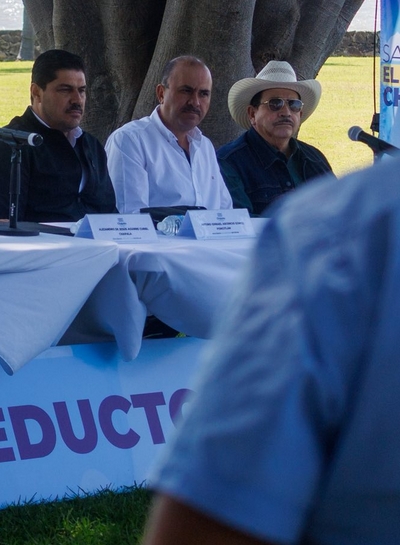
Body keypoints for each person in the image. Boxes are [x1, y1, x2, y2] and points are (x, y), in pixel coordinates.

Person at [143, 158, 400, 544]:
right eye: (277, 110)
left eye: (294, 114)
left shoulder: (337, 223)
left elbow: (214, 515)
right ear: (253, 121)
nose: (287, 121)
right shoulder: (338, 225)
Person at [0, 49, 116, 222]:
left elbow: (110, 213)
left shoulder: (91, 146)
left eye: (81, 91)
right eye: (65, 90)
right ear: (36, 92)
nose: (77, 100)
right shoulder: (10, 146)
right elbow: (1, 224)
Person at [105, 55, 232, 214]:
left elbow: (226, 213)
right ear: (161, 93)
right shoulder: (130, 140)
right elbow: (130, 218)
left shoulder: (205, 146)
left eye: (204, 94)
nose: (195, 102)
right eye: (186, 91)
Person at [217, 60, 332, 217]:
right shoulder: (228, 162)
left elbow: (342, 212)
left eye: (294, 105)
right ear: (252, 114)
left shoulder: (315, 159)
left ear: (300, 114)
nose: (286, 112)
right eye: (275, 104)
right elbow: (240, 222)